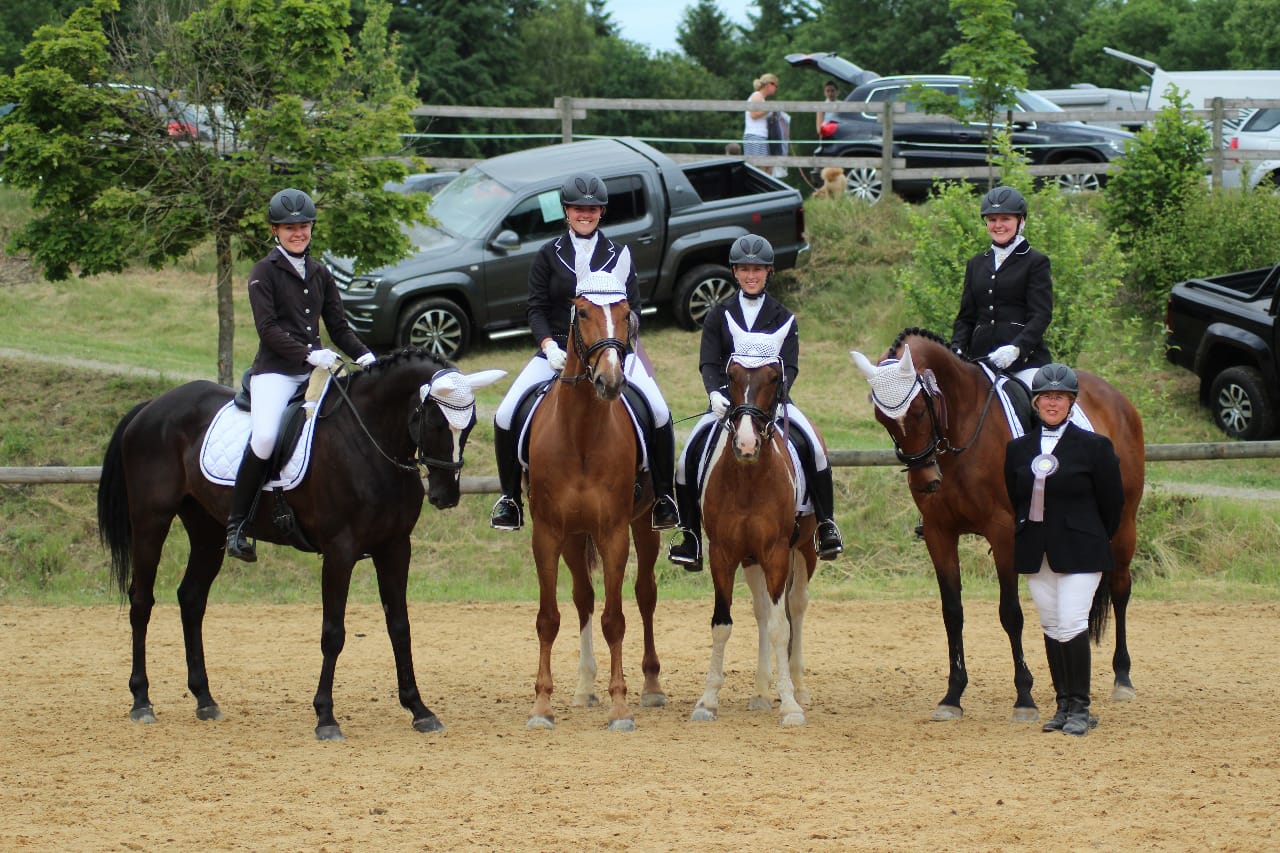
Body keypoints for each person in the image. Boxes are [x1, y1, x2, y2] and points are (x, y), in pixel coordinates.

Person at [489, 172, 680, 532]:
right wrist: (547, 346)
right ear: (567, 211)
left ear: (601, 212)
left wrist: (620, 353)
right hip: (559, 348)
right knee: (504, 412)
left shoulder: (619, 255)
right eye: (578, 208)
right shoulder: (548, 254)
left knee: (658, 411)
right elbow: (535, 308)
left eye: (592, 209)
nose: (585, 214)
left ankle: (664, 498)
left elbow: (633, 310)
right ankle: (510, 498)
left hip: (613, 348)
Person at [668, 234, 844, 571]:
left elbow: (789, 365)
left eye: (758, 270)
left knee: (816, 449)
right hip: (727, 403)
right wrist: (715, 393)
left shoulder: (783, 316)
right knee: (685, 459)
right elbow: (708, 361)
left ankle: (826, 524)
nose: (752, 276)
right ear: (735, 272)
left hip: (771, 403)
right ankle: (689, 534)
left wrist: (775, 398)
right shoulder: (718, 313)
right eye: (745, 269)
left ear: (768, 272)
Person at [226, 188, 378, 562]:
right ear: (275, 230)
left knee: (346, 430)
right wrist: (311, 354)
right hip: (276, 373)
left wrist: (369, 358)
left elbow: (339, 328)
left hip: (316, 372)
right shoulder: (264, 272)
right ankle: (237, 524)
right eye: (290, 227)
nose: (298, 233)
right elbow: (268, 330)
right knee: (264, 438)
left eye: (304, 226)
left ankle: (350, 521)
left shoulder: (320, 273)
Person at [1004, 363, 1123, 737]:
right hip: (1036, 551)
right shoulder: (1017, 449)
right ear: (1036, 403)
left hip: (1082, 550)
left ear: (1071, 402)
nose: (1052, 403)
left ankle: (1082, 708)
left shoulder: (1095, 448)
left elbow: (1112, 504)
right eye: (1046, 397)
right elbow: (1015, 497)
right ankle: (1062, 705)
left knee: (1072, 622)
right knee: (1052, 625)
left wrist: (1090, 535)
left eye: (1060, 397)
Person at [949, 186, 1053, 389]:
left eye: (1005, 219)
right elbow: (966, 317)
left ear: (1021, 221)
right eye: (992, 219)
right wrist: (957, 349)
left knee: (1038, 408)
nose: (998, 225)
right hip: (979, 361)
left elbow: (1041, 315)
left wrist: (1016, 348)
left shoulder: (1036, 262)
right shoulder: (976, 263)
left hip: (1024, 362)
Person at [743, 73, 779, 161]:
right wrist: (769, 108)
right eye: (776, 85)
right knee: (760, 166)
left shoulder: (761, 98)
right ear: (769, 84)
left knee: (765, 166)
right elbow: (754, 115)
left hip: (759, 136)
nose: (776, 88)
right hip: (755, 136)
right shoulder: (757, 95)